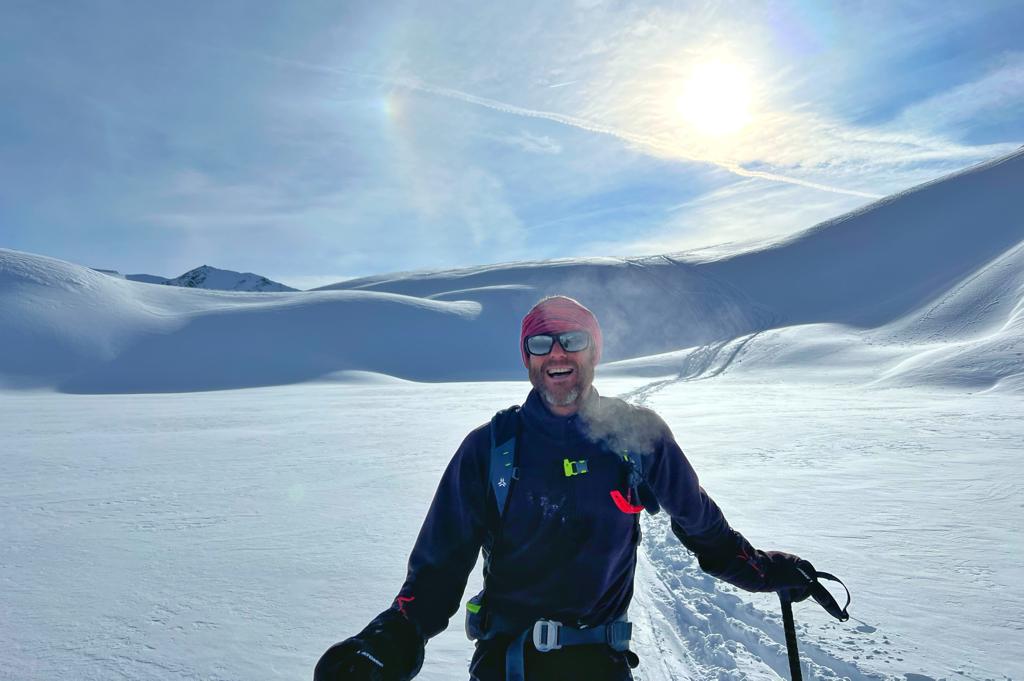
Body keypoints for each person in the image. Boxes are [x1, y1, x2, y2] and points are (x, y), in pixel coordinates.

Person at [315, 295, 819, 681]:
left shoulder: (638, 438)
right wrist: (390, 641)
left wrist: (768, 572)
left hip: (603, 664)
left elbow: (706, 533)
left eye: (572, 340)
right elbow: (435, 576)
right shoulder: (489, 449)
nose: (557, 353)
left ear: (593, 350)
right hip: (506, 666)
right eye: (541, 343)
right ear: (527, 359)